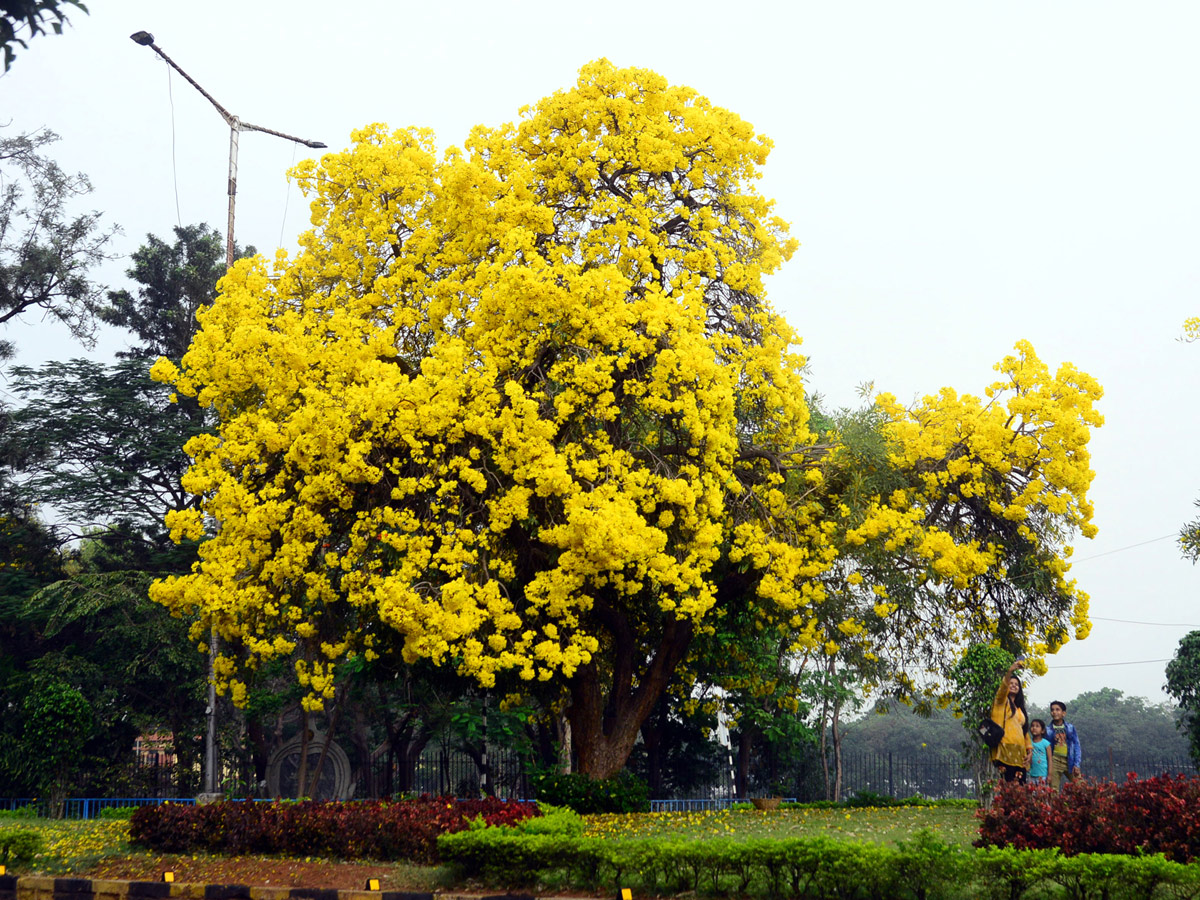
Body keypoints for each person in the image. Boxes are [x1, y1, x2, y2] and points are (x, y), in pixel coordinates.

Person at [989, 659, 1033, 783]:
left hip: (1020, 755)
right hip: (1004, 752)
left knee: (1020, 792)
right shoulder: (1001, 702)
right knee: (1007, 792)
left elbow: (1024, 732)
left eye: (1016, 684)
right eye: (1011, 683)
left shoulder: (1020, 710)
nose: (1014, 685)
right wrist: (1010, 671)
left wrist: (1030, 752)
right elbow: (1002, 689)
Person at [1048, 700, 1082, 790]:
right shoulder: (1048, 730)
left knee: (1080, 786)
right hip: (1054, 760)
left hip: (1069, 760)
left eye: (1057, 709)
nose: (1054, 712)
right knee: (1053, 789)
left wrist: (1077, 764)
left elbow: (1077, 746)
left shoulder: (1070, 728)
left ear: (1063, 713)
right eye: (1052, 710)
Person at [1028, 718, 1052, 784]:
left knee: (1042, 794)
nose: (1034, 728)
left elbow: (1050, 760)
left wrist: (1049, 775)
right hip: (1031, 775)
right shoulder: (1028, 743)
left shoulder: (1046, 743)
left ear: (1043, 730)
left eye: (1037, 726)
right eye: (1032, 726)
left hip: (1043, 775)